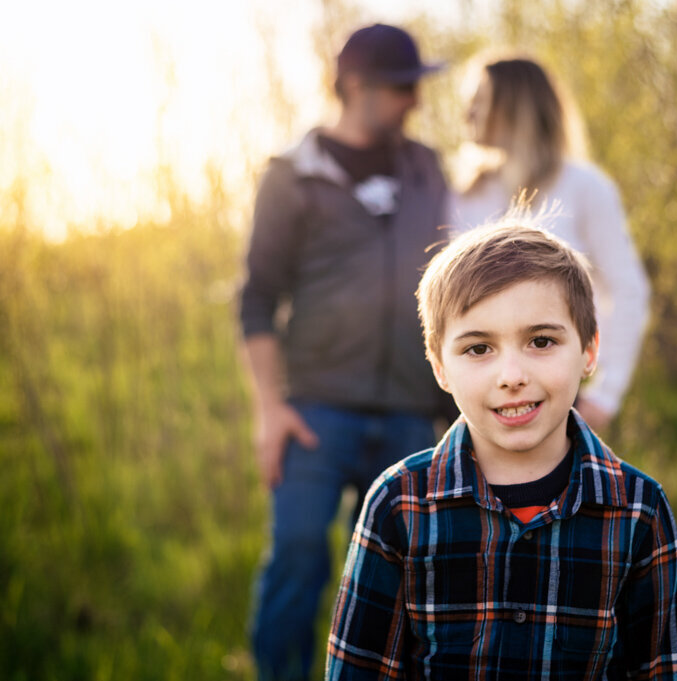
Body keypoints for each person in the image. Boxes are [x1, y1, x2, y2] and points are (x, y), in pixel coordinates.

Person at [326, 221, 677, 679]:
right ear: (440, 367)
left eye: (541, 341)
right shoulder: (399, 504)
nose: (512, 375)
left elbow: (662, 668)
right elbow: (360, 668)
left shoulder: (639, 511)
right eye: (479, 349)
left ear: (588, 350)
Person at [238, 23, 449, 681]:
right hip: (315, 414)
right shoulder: (290, 178)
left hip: (413, 416)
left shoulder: (427, 168)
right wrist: (270, 408)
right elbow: (256, 299)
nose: (414, 101)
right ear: (355, 86)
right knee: (298, 559)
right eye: (400, 88)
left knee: (408, 584)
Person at [450, 56, 650, 431]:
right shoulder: (462, 194)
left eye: (480, 100)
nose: (467, 113)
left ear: (515, 108)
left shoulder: (584, 186)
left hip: (548, 393)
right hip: (468, 395)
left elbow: (627, 289)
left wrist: (608, 392)